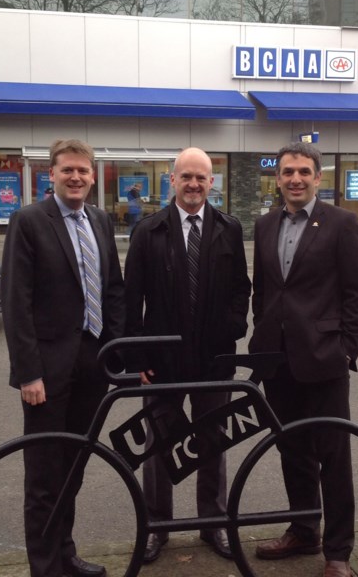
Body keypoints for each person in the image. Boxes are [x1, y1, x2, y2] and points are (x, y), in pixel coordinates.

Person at [1, 138, 125, 577]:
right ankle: (45, 567)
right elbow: (17, 301)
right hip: (46, 375)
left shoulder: (101, 221)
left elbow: (112, 292)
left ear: (93, 176)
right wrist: (28, 373)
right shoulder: (29, 221)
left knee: (74, 466)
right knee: (43, 476)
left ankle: (66, 555)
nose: (76, 177)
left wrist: (118, 356)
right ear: (50, 175)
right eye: (67, 170)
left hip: (93, 367)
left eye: (83, 171)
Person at [248, 142, 358, 577]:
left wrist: (346, 349)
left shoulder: (341, 224)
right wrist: (262, 335)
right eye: (287, 172)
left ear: (319, 177)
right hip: (276, 361)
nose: (295, 179)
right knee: (292, 450)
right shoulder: (264, 225)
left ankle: (338, 552)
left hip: (324, 360)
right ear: (277, 178)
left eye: (304, 171)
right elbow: (264, 291)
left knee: (333, 457)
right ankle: (304, 531)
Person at [124, 147, 251, 563]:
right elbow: (132, 299)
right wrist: (137, 354)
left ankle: (213, 523)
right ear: (172, 181)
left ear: (211, 183)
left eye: (201, 177)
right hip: (161, 360)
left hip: (215, 358)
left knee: (213, 441)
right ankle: (156, 526)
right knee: (157, 445)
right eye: (186, 177)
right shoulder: (148, 231)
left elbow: (240, 288)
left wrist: (234, 328)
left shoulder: (229, 228)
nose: (194, 184)